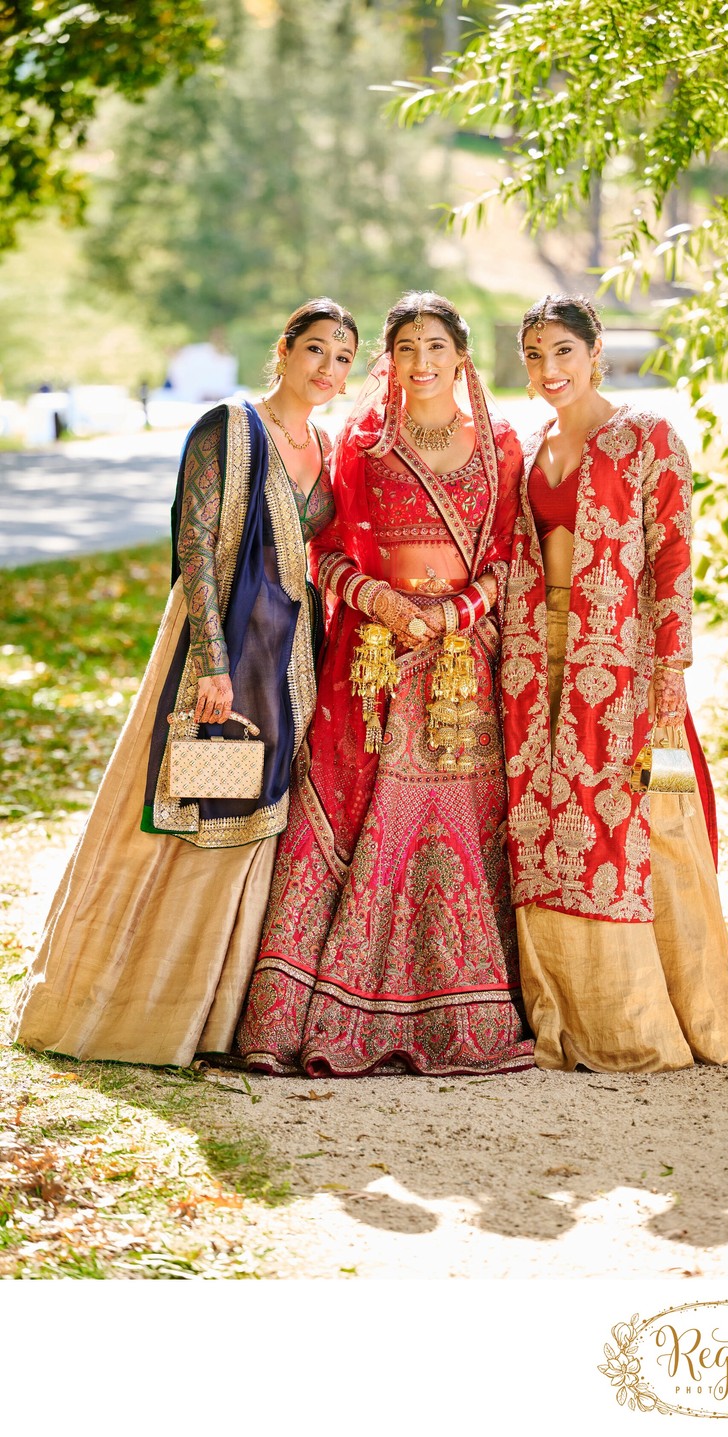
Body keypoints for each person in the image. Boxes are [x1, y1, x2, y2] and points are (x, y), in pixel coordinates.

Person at [12, 299, 358, 1067]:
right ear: (283, 348)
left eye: (342, 357)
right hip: (222, 649)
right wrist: (211, 661)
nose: (328, 368)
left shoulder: (326, 446)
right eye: (315, 350)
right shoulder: (230, 427)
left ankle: (225, 1016)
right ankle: (135, 1006)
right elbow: (195, 544)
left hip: (289, 655)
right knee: (195, 796)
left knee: (258, 813)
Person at [236, 292, 534, 1077]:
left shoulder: (501, 445)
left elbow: (510, 557)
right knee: (342, 808)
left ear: (462, 356)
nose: (422, 362)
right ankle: (297, 1015)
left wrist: (455, 613)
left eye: (435, 346)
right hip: (373, 659)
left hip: (460, 665)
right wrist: (385, 604)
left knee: (459, 823)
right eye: (406, 348)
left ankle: (466, 1009)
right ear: (389, 361)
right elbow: (324, 553)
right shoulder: (360, 445)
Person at [500, 294, 728, 1073]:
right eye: (534, 355)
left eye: (563, 352)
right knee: (545, 822)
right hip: (536, 660)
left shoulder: (646, 436)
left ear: (595, 350)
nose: (549, 370)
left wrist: (671, 668)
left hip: (625, 662)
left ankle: (658, 1017)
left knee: (644, 823)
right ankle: (559, 1012)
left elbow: (672, 556)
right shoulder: (530, 447)